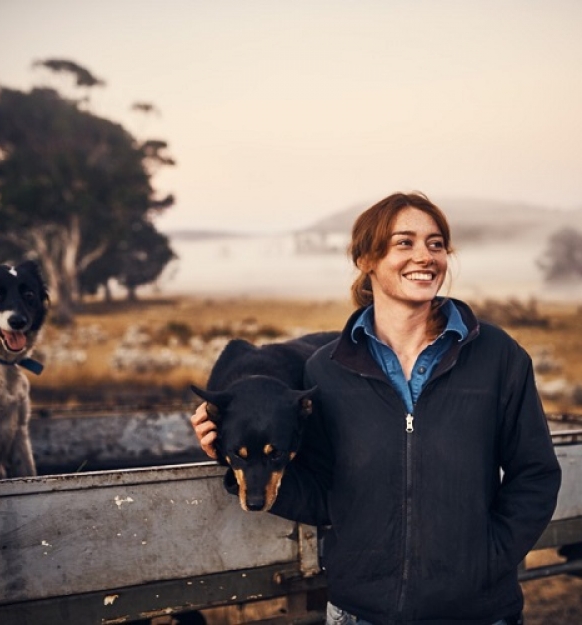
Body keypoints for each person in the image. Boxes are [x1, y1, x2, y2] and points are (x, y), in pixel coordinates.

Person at [192, 192, 561, 624]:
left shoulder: (497, 356)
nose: (424, 256)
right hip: (359, 612)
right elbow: (323, 496)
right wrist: (230, 458)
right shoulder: (325, 371)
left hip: (478, 611)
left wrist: (491, 556)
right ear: (367, 259)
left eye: (436, 243)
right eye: (404, 243)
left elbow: (535, 473)